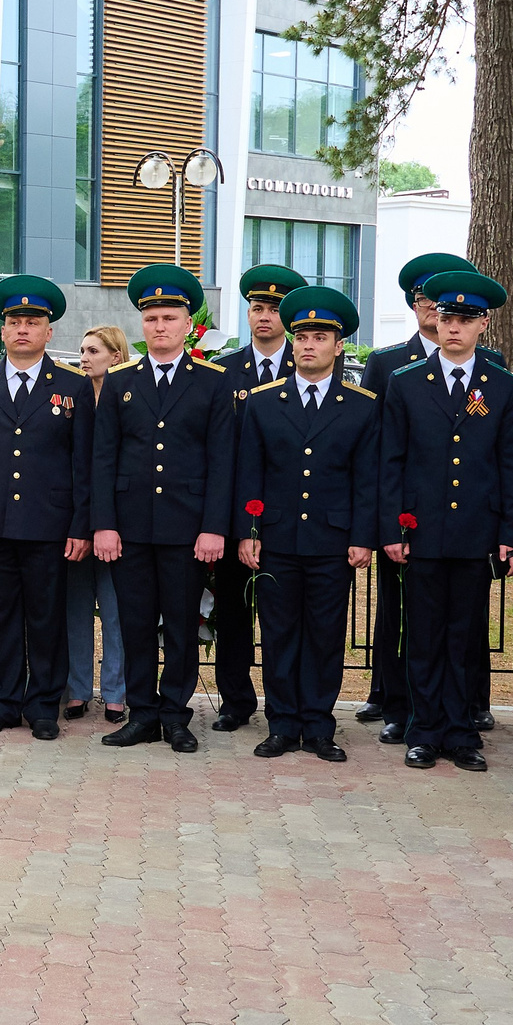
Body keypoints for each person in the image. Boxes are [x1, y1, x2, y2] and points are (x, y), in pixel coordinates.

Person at [378, 268, 513, 772]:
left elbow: (511, 464)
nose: (454, 327)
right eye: (446, 318)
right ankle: (423, 731)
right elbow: (391, 462)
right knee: (422, 635)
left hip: (475, 533)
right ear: (435, 321)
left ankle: (461, 733)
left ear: (484, 324)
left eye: (465, 319)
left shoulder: (501, 385)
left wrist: (510, 535)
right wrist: (393, 530)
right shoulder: (405, 382)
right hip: (420, 531)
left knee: (463, 637)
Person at [0, 275, 94, 740]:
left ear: (49, 331)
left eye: (33, 321)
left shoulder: (73, 385)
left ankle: (44, 706)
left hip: (50, 524)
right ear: (2, 330)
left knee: (47, 618)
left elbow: (85, 464)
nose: (23, 329)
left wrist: (81, 526)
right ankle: (4, 703)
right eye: (15, 322)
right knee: (0, 616)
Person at [231, 284, 376, 761]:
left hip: (332, 541)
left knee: (325, 636)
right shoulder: (263, 401)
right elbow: (249, 472)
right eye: (302, 337)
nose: (308, 345)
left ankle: (317, 726)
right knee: (278, 634)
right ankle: (282, 724)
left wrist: (362, 537)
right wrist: (248, 534)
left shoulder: (361, 405)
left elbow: (366, 478)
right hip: (276, 539)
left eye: (320, 337)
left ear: (339, 345)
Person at [96, 264, 236, 753]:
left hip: (187, 528)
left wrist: (214, 527)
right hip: (130, 527)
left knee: (180, 625)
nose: (160, 326)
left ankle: (176, 716)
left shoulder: (212, 382)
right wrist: (104, 525)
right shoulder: (119, 380)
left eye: (170, 318)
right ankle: (142, 715)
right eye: (152, 318)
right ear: (142, 323)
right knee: (135, 625)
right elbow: (103, 457)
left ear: (188, 324)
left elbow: (222, 460)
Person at [356, 252, 470, 742]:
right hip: (406, 515)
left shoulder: (489, 366)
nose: (432, 309)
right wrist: (385, 520)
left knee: (461, 620)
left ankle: (467, 707)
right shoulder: (387, 364)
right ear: (416, 304)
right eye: (426, 299)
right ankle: (391, 697)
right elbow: (378, 444)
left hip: (461, 519)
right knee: (397, 612)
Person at [207, 265, 302, 731]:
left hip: (287, 514)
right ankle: (235, 701)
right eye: (257, 307)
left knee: (286, 616)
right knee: (234, 613)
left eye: (274, 309)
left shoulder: (305, 365)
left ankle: (291, 703)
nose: (264, 316)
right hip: (234, 516)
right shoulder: (224, 370)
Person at [62, 323, 128, 723]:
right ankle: (77, 690)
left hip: (117, 522)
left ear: (116, 356)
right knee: (77, 609)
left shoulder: (129, 394)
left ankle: (116, 693)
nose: (84, 359)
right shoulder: (75, 395)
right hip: (75, 519)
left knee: (116, 611)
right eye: (82, 351)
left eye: (93, 351)